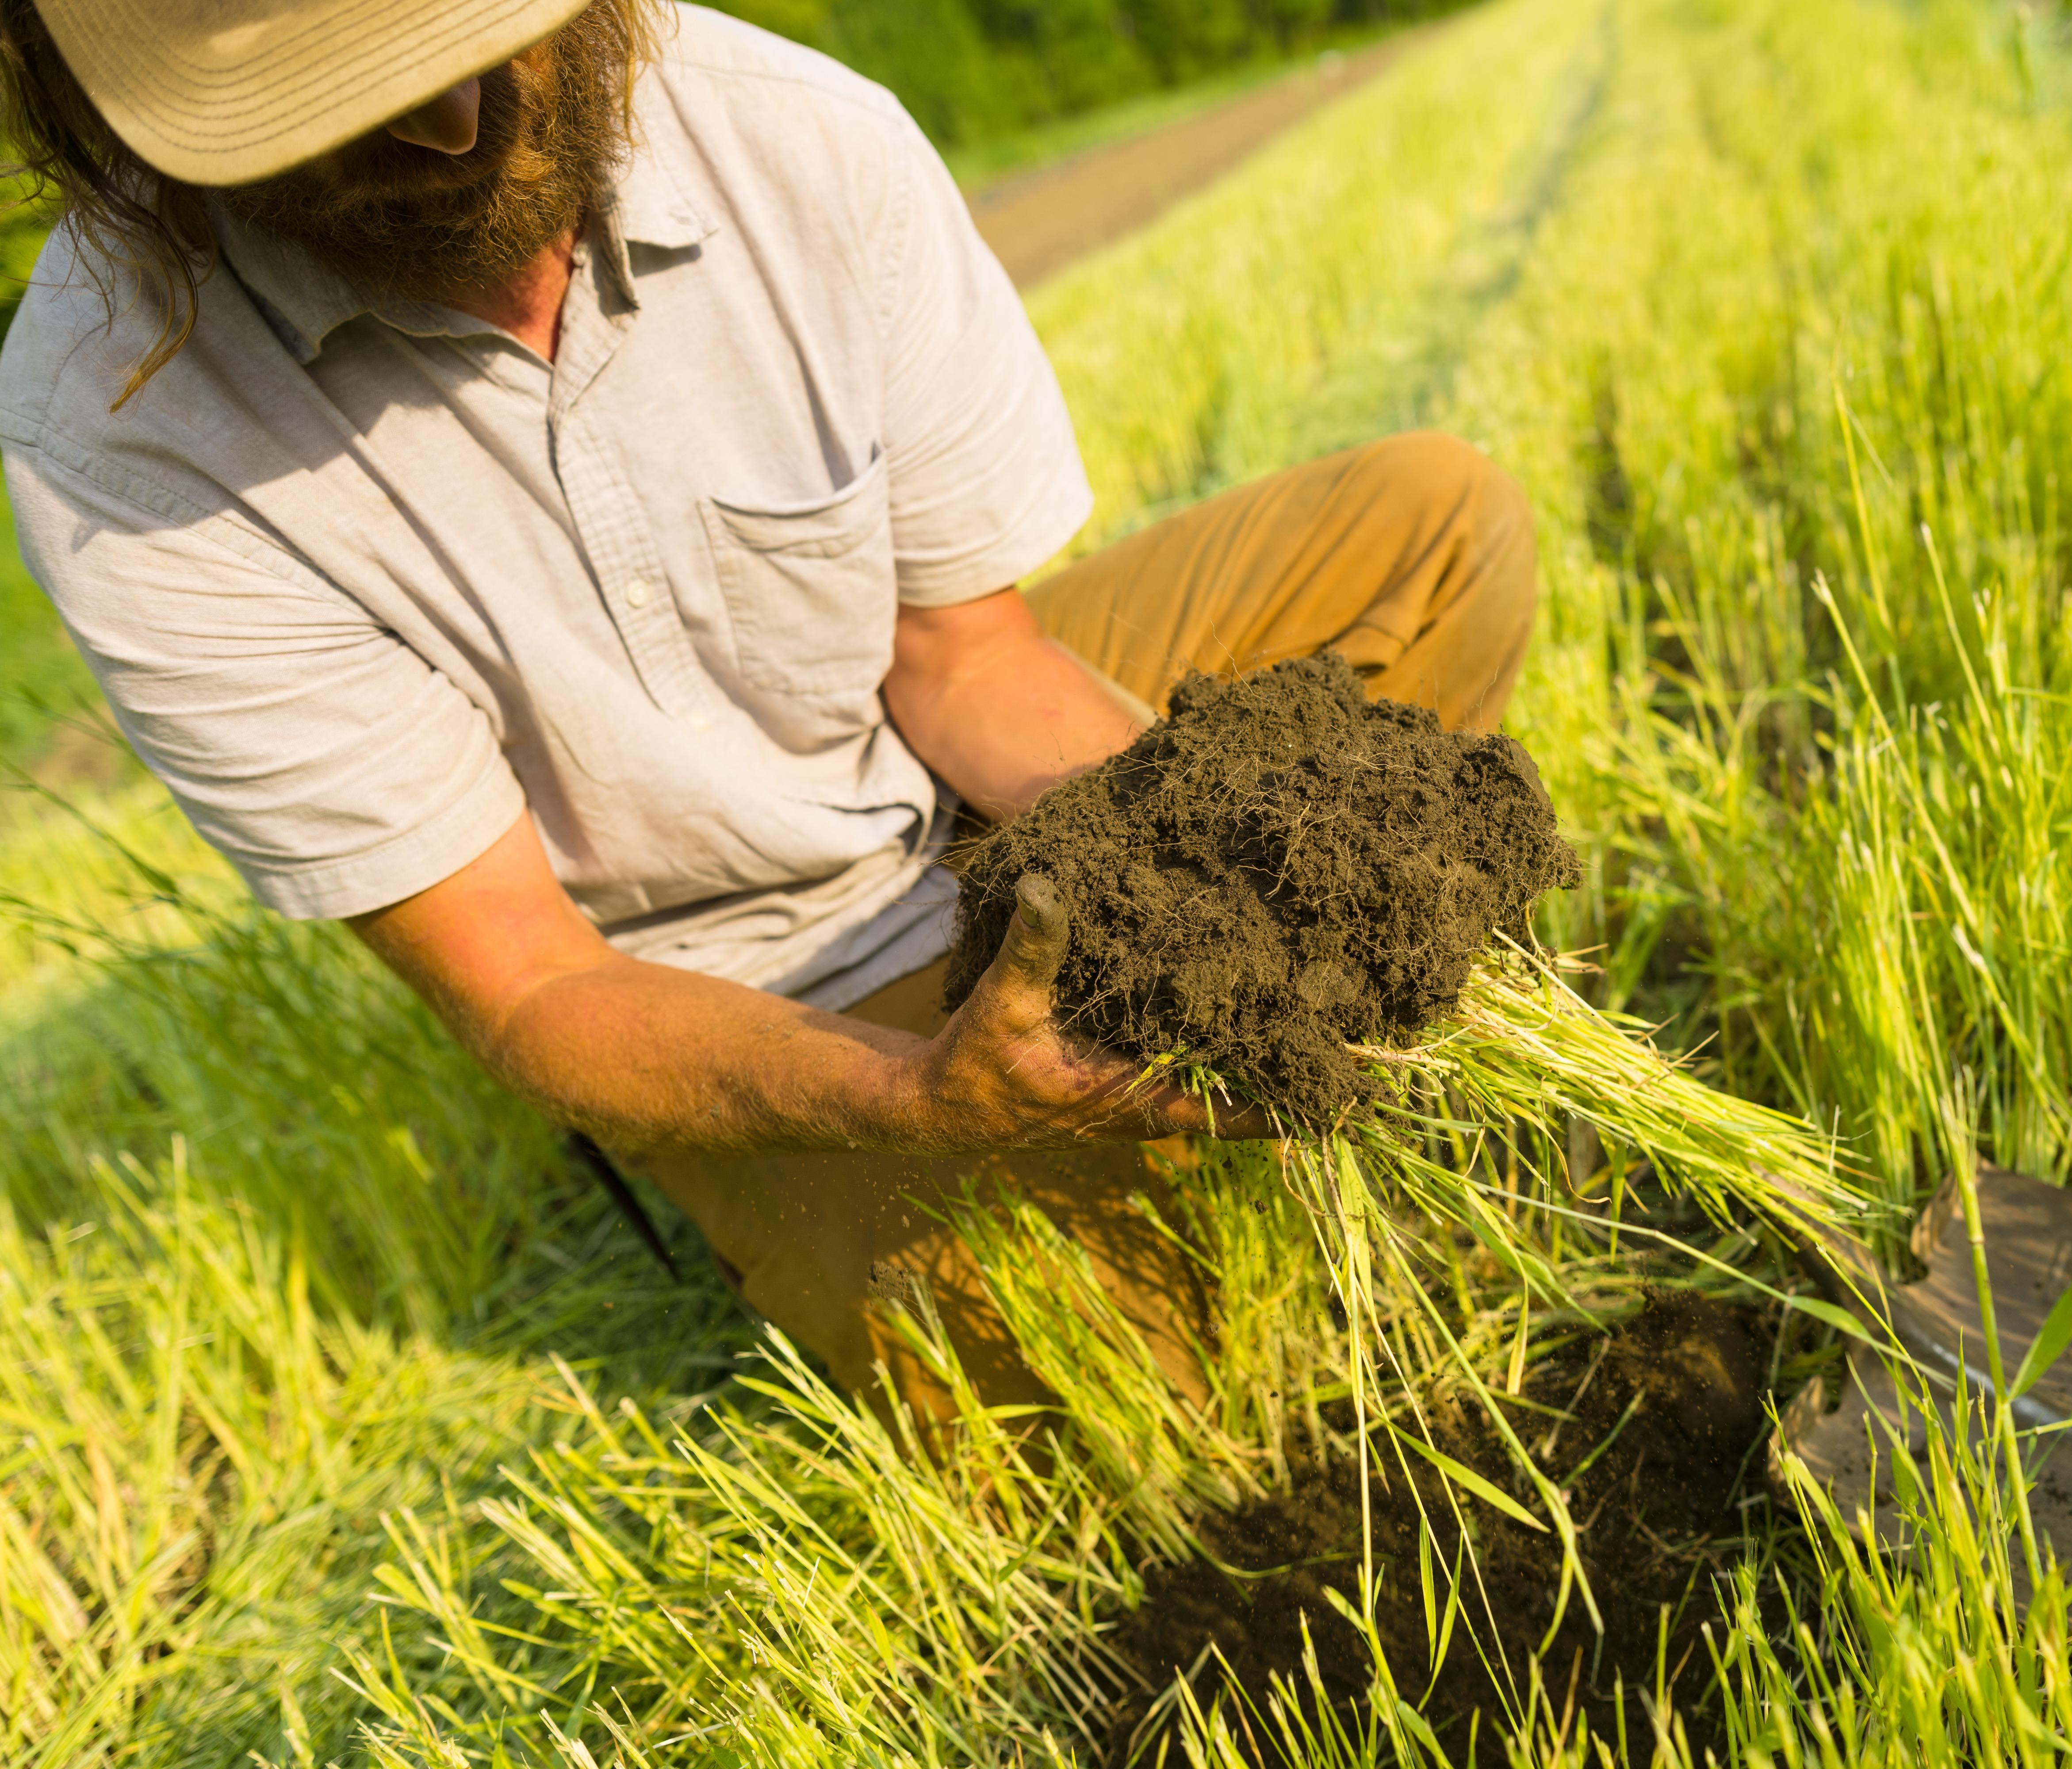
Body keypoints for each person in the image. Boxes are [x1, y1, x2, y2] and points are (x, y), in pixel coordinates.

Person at [0, 0, 1534, 1428]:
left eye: (482, 38)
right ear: (107, 119)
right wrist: (919, 1103)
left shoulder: (799, 135)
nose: (449, 131)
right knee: (1106, 1381)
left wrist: (1214, 880)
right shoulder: (119, 426)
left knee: (1434, 527)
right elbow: (534, 988)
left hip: (930, 787)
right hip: (734, 988)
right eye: (330, 113)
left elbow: (964, 660)